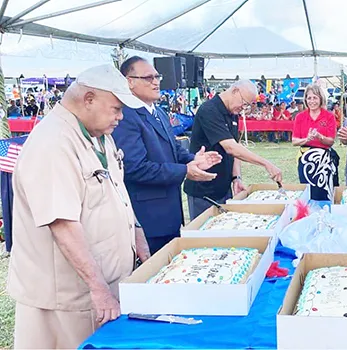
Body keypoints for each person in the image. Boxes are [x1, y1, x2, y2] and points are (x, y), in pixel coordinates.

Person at [7, 65, 150, 349]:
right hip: (69, 297)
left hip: (100, 286)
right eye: (116, 108)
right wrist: (98, 289)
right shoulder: (53, 143)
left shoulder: (99, 134)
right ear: (88, 99)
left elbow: (116, 189)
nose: (121, 117)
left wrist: (137, 233)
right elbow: (62, 223)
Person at [113, 56, 222, 254]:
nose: (156, 82)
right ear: (129, 81)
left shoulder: (159, 112)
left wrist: (193, 160)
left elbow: (173, 148)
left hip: (169, 213)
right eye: (148, 78)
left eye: (157, 76)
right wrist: (184, 171)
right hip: (148, 219)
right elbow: (135, 168)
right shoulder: (125, 116)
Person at [184, 80, 283, 219]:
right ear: (235, 91)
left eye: (247, 105)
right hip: (203, 190)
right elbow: (230, 147)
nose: (243, 108)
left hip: (224, 187)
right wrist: (266, 163)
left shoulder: (232, 113)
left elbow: (235, 147)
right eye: (244, 102)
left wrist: (236, 177)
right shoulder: (209, 110)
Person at [292, 84, 337, 200]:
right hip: (305, 160)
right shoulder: (300, 117)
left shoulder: (329, 116)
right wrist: (306, 139)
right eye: (309, 98)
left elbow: (331, 141)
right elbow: (294, 141)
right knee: (308, 193)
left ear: (321, 98)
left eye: (315, 98)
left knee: (325, 193)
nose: (312, 101)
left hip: (324, 161)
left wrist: (319, 137)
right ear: (305, 100)